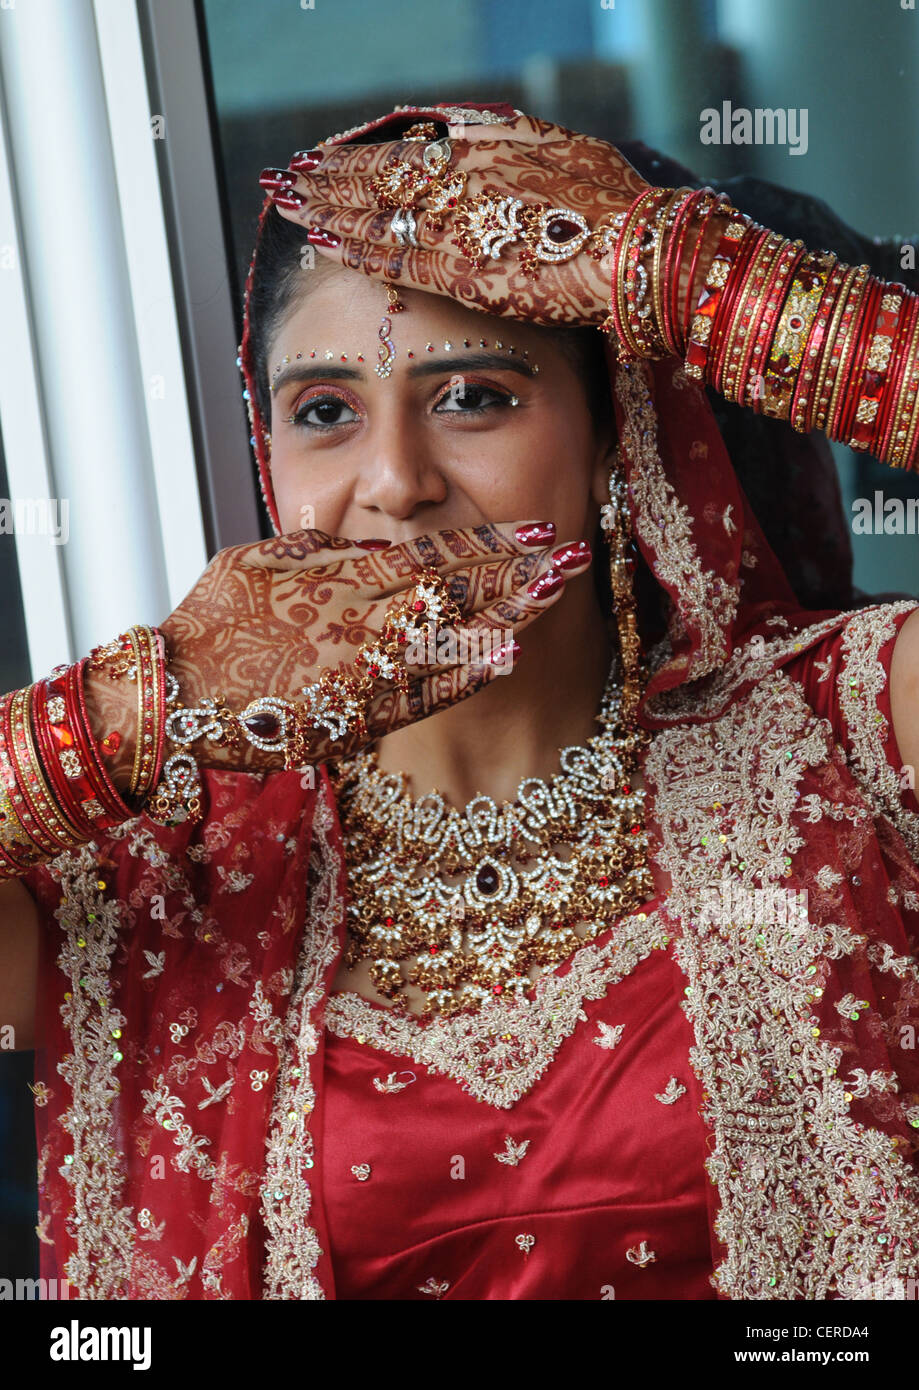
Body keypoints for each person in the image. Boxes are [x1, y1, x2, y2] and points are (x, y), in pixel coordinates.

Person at [2, 99, 919, 1301]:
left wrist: (695, 281)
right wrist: (130, 709)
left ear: (612, 438)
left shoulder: (843, 735)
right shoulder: (163, 877)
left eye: (473, 395)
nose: (395, 482)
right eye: (325, 412)